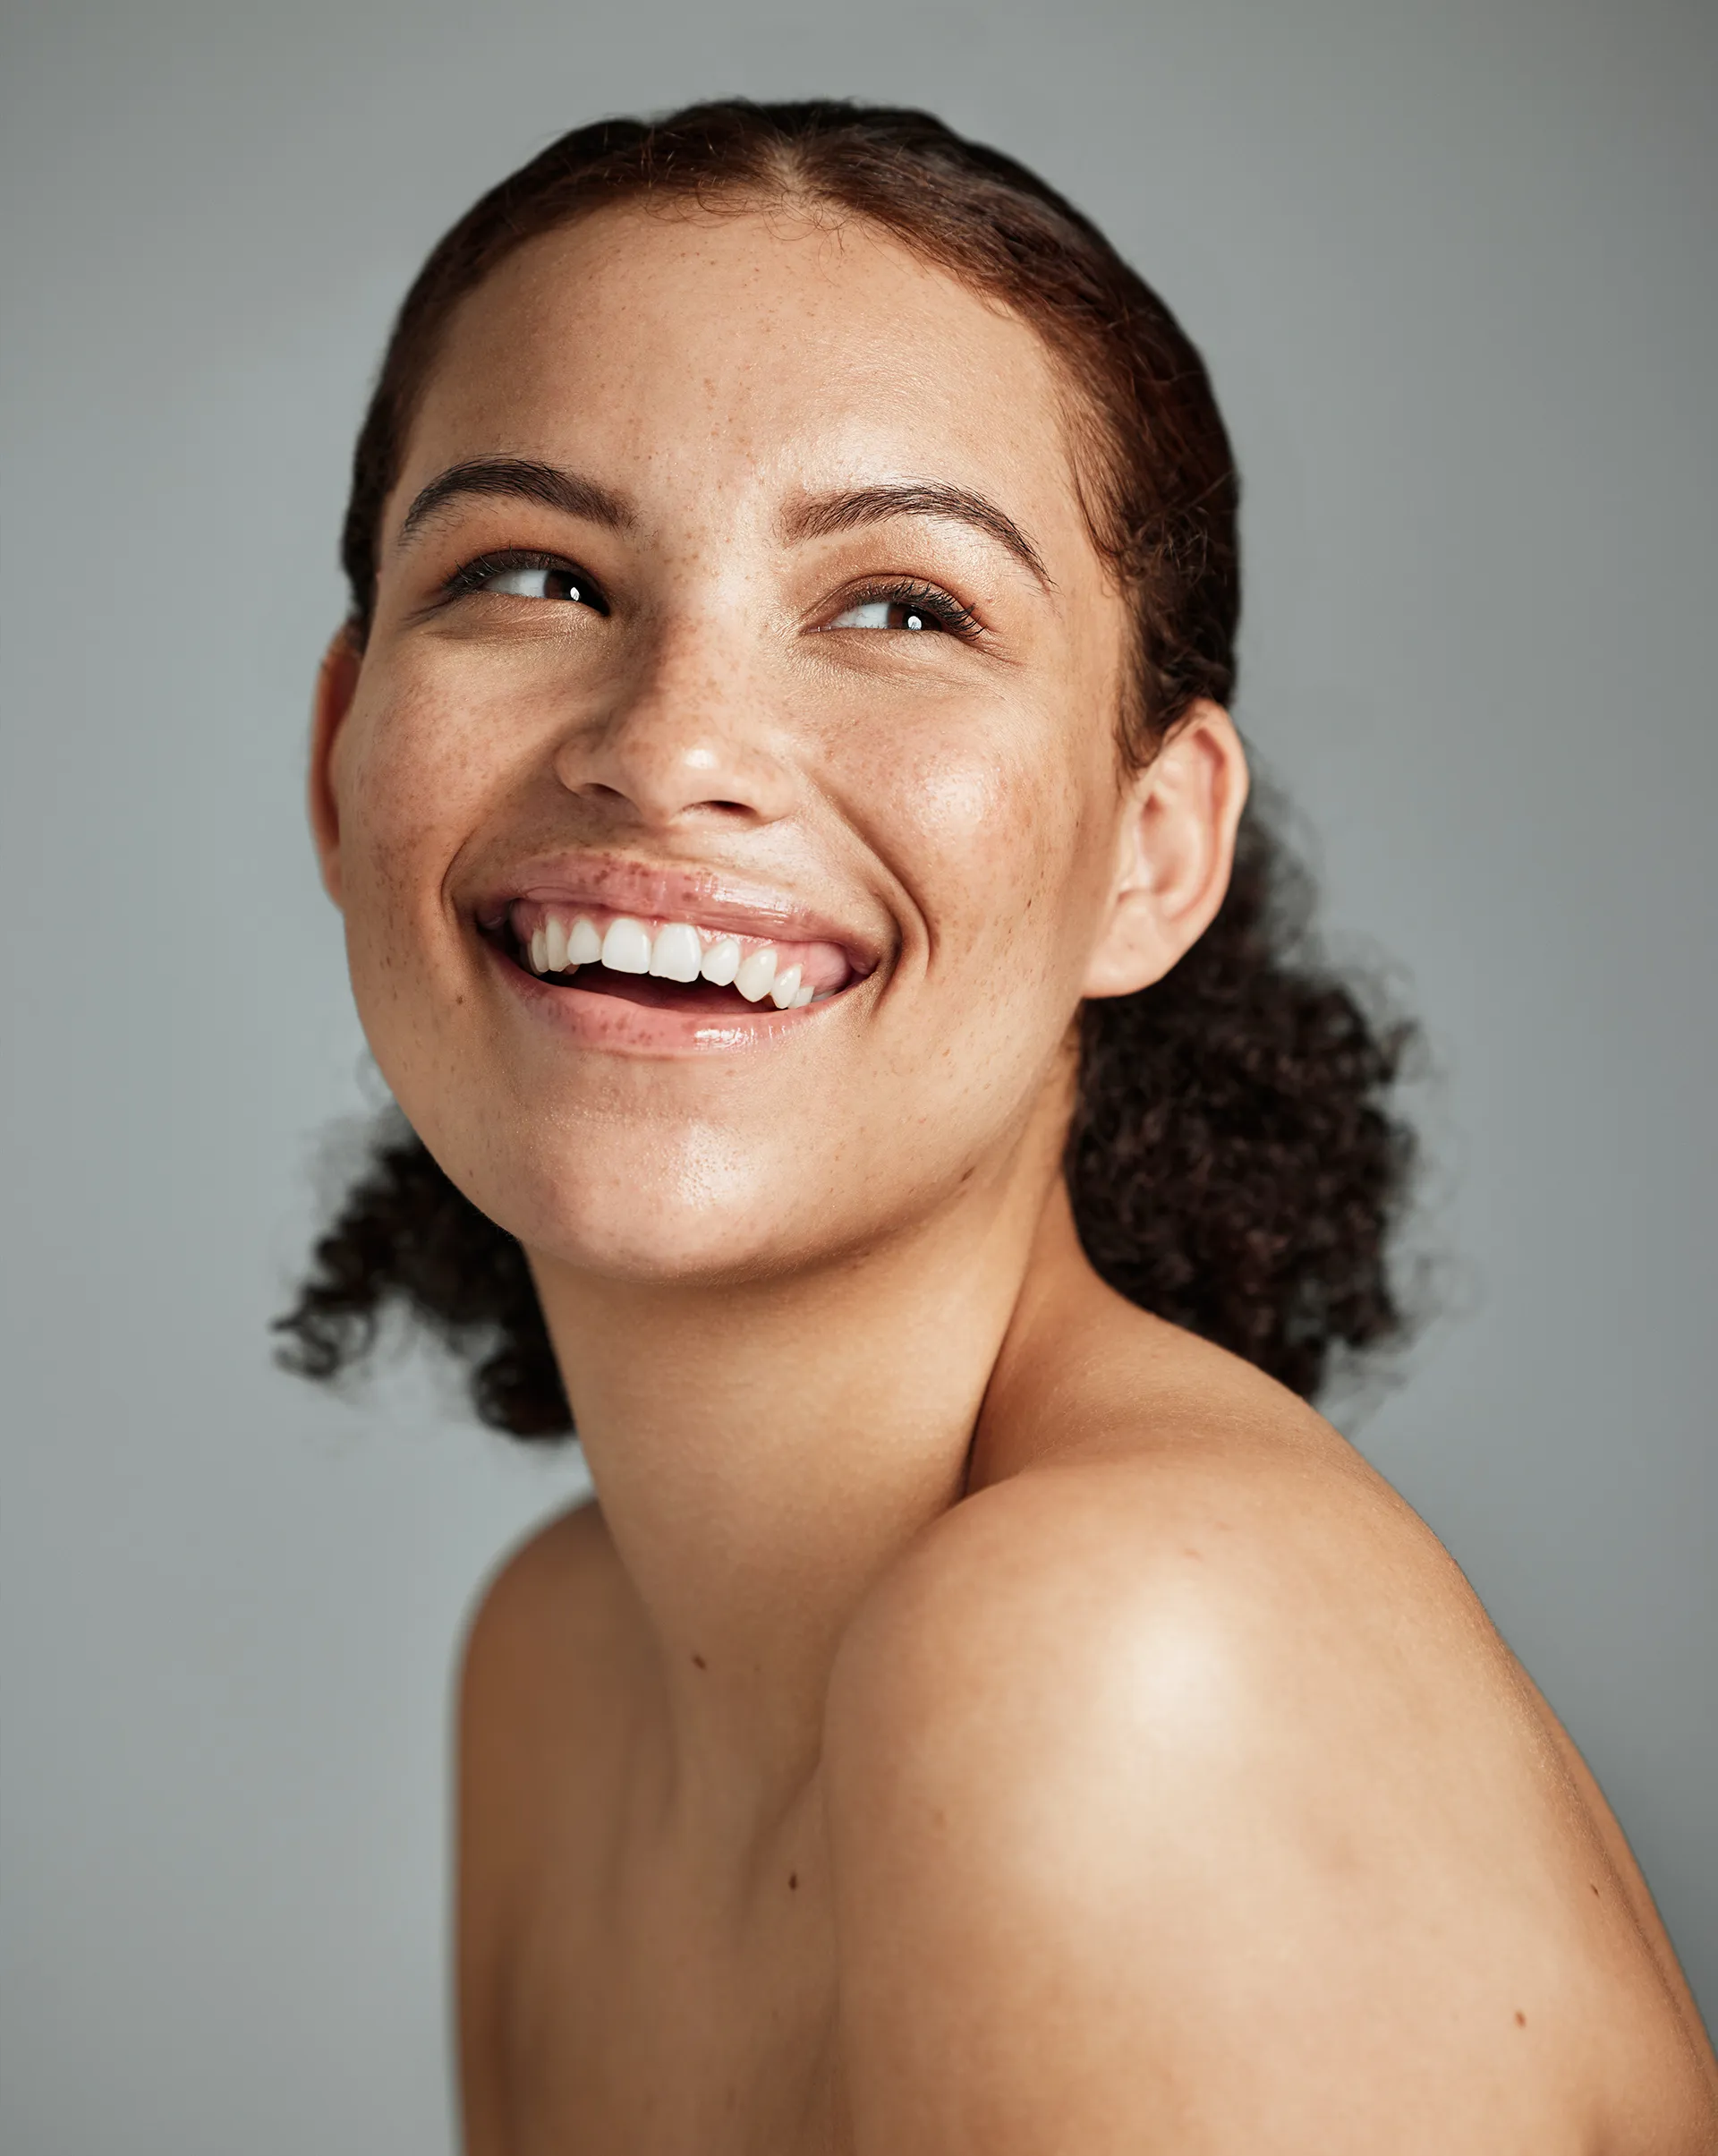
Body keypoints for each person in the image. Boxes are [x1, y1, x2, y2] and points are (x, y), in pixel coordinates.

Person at [278, 99, 1717, 2152]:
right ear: (342, 760)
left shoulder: (1123, 1668)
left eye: (905, 608)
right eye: (537, 573)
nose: (674, 745)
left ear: (1153, 851)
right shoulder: (557, 1665)